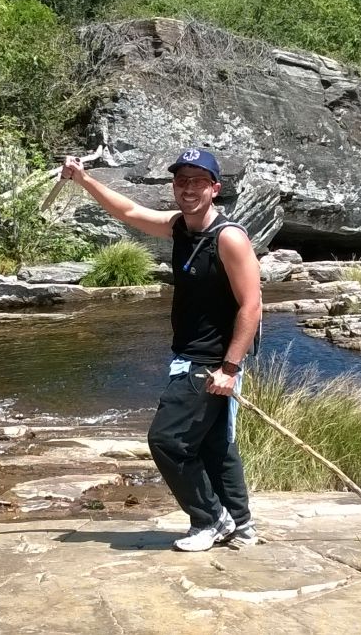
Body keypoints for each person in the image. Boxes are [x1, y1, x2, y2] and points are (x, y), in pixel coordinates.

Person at [60, 148, 260, 552]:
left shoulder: (228, 238)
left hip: (209, 362)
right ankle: (240, 524)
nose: (188, 189)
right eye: (182, 181)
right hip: (192, 355)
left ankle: (210, 519)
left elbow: (252, 306)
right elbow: (129, 211)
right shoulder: (179, 227)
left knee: (168, 440)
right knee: (214, 446)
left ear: (214, 189)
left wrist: (230, 368)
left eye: (198, 181)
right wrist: (83, 179)